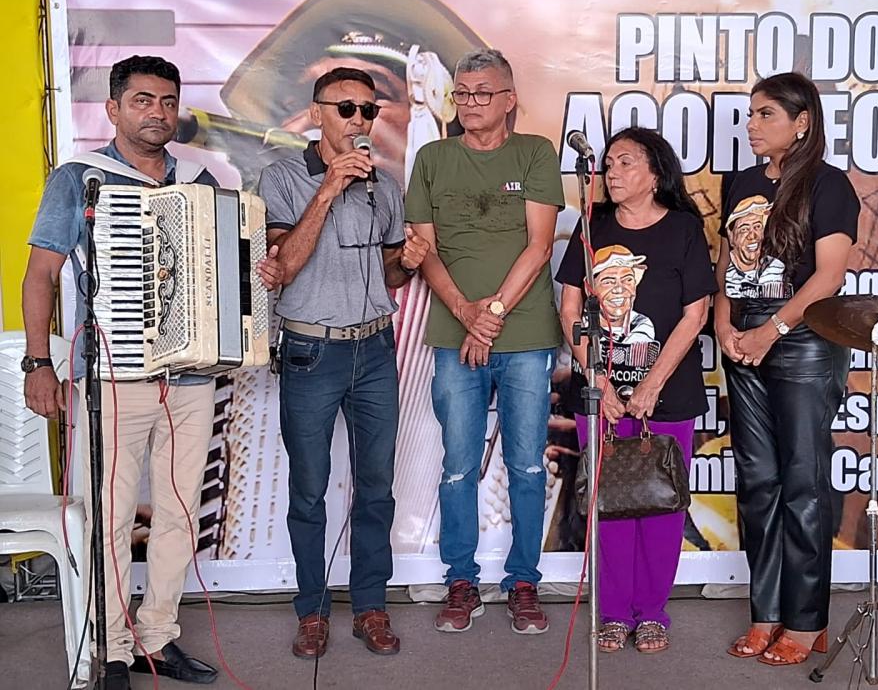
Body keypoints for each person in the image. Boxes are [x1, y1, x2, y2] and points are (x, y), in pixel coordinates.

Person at [22, 56, 221, 690]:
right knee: (107, 516)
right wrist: (37, 361)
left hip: (191, 378)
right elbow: (41, 275)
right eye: (142, 101)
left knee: (179, 514)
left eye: (168, 101)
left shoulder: (200, 180)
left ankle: (158, 638)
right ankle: (110, 647)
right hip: (111, 377)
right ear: (112, 109)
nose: (158, 112)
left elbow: (223, 270)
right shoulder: (80, 181)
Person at [257, 67, 429, 659]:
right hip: (311, 350)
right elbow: (283, 266)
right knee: (308, 490)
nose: (360, 121)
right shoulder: (281, 176)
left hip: (375, 350)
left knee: (376, 488)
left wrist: (408, 261)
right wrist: (327, 188)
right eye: (347, 108)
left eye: (369, 111)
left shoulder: (386, 186)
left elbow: (388, 278)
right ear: (317, 113)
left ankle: (371, 605)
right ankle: (312, 611)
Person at [404, 48, 564, 635]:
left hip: (524, 337)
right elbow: (425, 252)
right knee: (457, 468)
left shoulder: (536, 153)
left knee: (525, 465)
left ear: (509, 98)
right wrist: (467, 315)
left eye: (481, 93)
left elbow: (540, 247)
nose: (469, 103)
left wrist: (491, 313)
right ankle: (460, 581)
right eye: (462, 93)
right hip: (453, 335)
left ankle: (524, 581)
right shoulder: (432, 157)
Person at [717, 72, 860, 666]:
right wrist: (725, 325)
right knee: (757, 483)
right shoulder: (741, 182)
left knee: (803, 482)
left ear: (803, 122)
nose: (752, 125)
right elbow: (725, 258)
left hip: (800, 338)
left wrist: (772, 329)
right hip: (744, 338)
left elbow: (830, 276)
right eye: (750, 114)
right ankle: (766, 614)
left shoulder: (829, 185)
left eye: (766, 114)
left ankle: (807, 621)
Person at [555, 127, 716, 653]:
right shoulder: (591, 226)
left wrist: (650, 385)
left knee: (661, 508)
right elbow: (570, 311)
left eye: (626, 162)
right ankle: (614, 612)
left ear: (655, 174)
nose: (611, 171)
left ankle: (652, 613)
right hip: (599, 395)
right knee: (610, 506)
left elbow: (696, 316)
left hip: (666, 394)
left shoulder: (684, 230)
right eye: (608, 162)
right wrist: (598, 382)